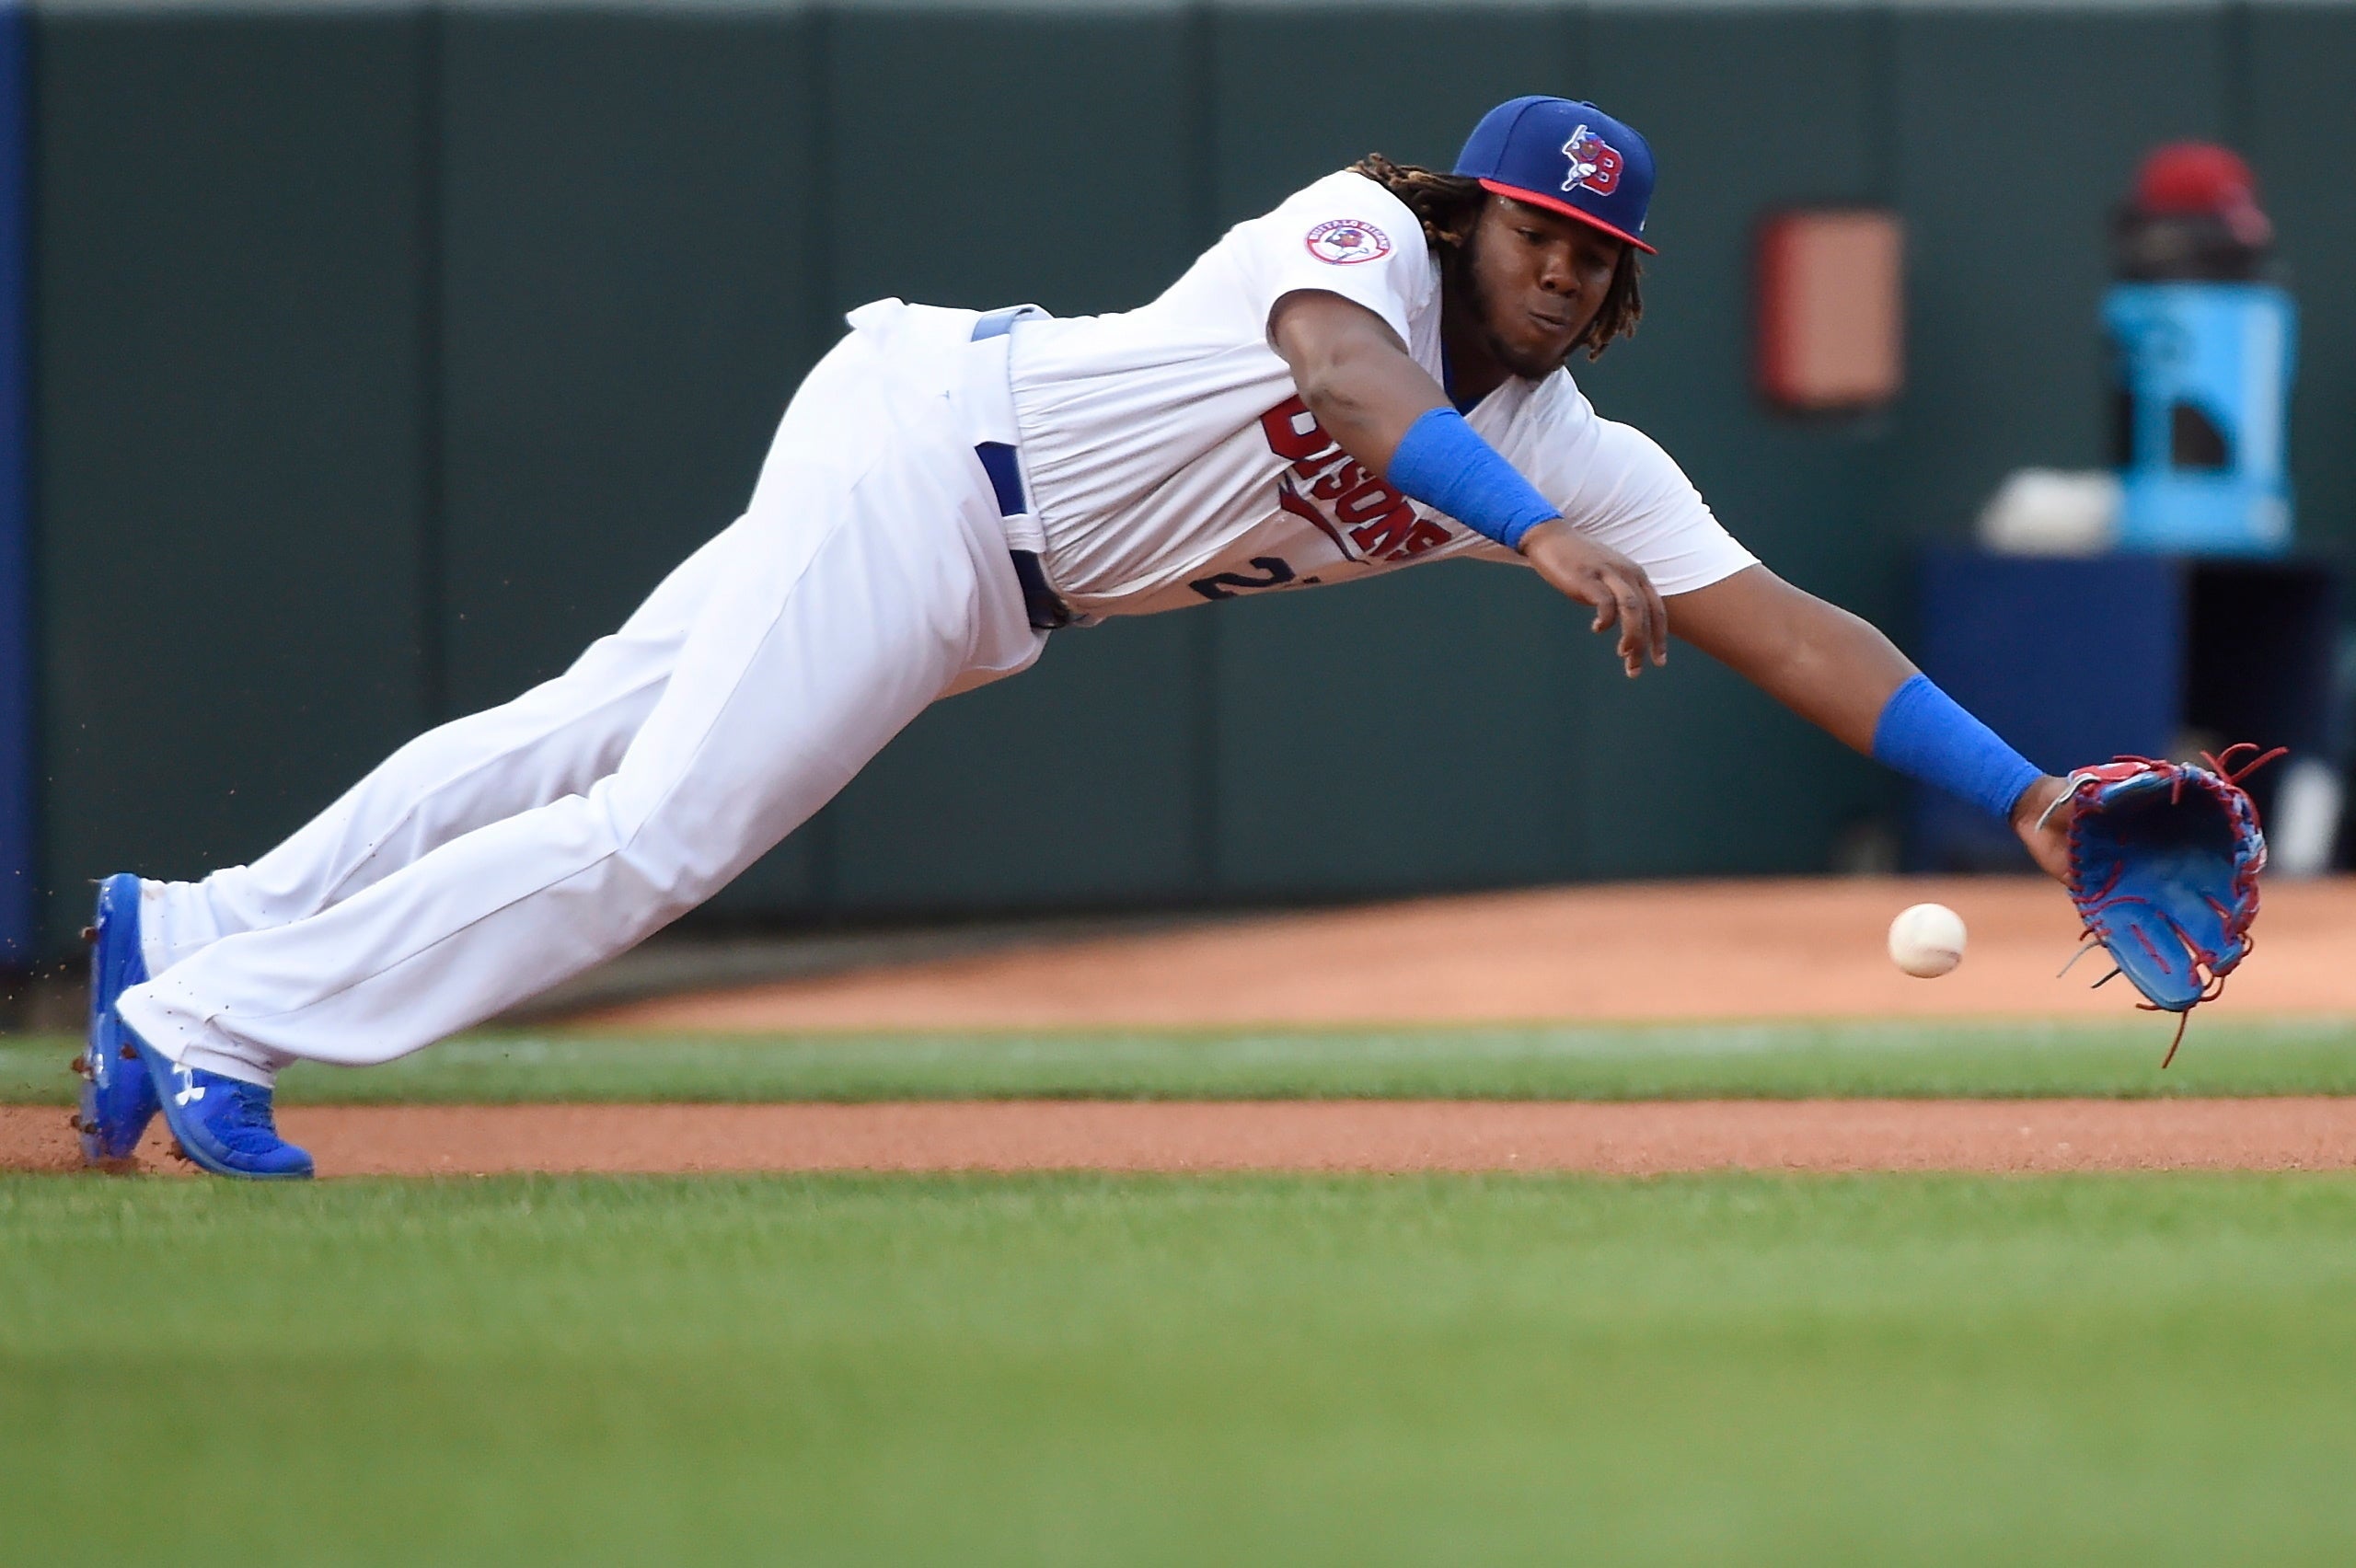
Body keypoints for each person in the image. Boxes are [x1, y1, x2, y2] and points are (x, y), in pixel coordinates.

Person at [74, 95, 2071, 1179]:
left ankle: (194, 927)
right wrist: (1534, 538)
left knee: (586, 726)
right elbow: (1357, 393)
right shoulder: (1355, 243)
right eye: (1532, 228)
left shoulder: (1572, 447)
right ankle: (213, 1028)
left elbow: (1795, 633)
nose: (1555, 265)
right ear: (1466, 218)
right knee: (664, 828)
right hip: (937, 462)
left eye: (1592, 253)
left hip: (981, 558)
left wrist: (2027, 797)